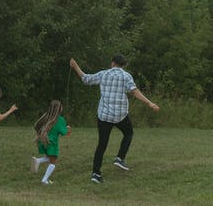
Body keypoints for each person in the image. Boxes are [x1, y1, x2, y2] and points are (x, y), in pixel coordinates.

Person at [69, 54, 160, 184]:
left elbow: (86, 79)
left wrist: (75, 66)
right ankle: (119, 158)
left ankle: (96, 173)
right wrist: (150, 103)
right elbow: (134, 91)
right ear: (124, 65)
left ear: (112, 63)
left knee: (102, 144)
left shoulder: (104, 74)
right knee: (128, 133)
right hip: (120, 115)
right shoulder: (126, 76)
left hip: (104, 116)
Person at [30, 99, 70, 185]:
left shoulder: (45, 117)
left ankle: (38, 161)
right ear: (59, 109)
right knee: (53, 162)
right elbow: (64, 132)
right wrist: (68, 129)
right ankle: (44, 180)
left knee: (51, 158)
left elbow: (36, 126)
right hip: (51, 143)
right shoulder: (60, 119)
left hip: (43, 141)